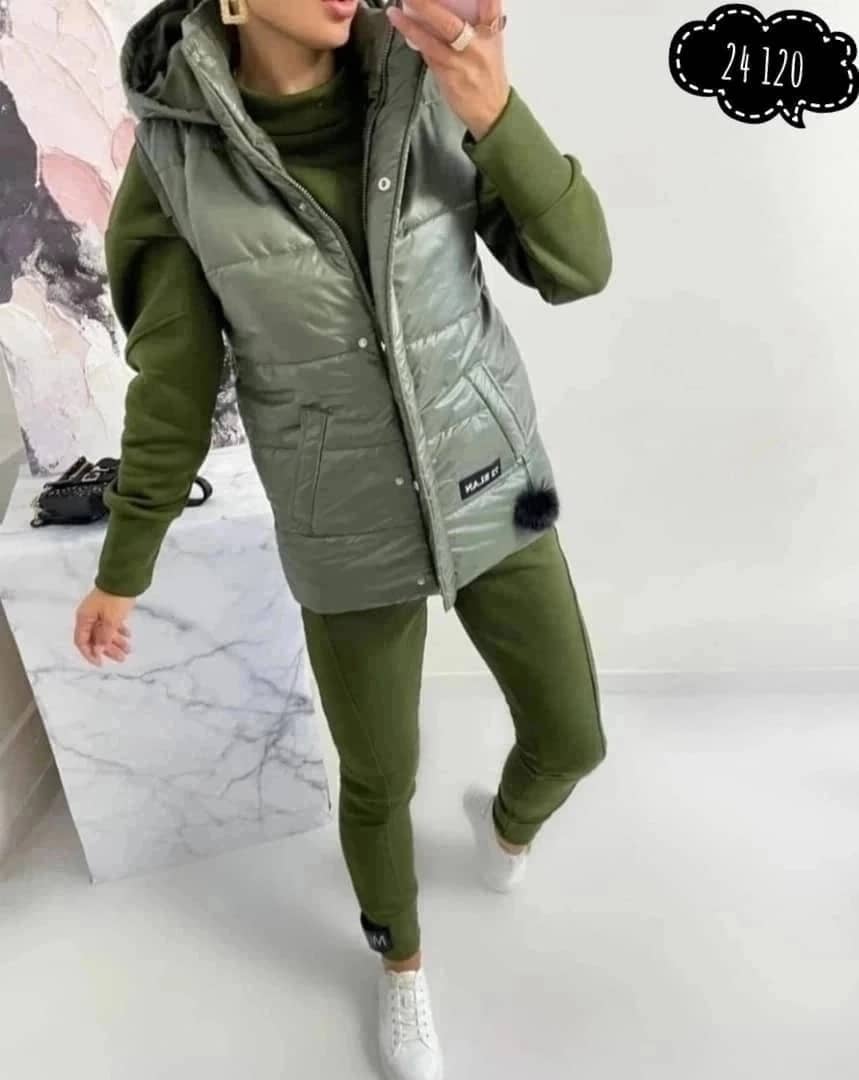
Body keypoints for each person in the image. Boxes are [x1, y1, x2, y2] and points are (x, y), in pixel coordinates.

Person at [73, 1, 612, 1077]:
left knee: (572, 738)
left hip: (493, 480)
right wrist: (123, 566)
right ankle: (398, 962)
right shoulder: (176, 164)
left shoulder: (429, 89)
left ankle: (506, 822)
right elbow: (174, 385)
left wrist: (495, 112)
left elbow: (577, 268)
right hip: (341, 521)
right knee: (378, 777)